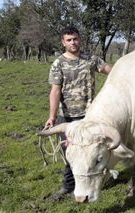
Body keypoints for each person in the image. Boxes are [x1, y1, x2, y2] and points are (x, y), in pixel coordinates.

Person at [45, 26, 112, 201]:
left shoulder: (91, 59)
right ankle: (68, 186)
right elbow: (55, 91)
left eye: (75, 39)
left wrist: (127, 69)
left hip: (89, 117)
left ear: (79, 39)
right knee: (70, 155)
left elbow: (110, 71)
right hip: (67, 118)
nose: (73, 42)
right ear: (63, 42)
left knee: (91, 153)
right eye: (69, 40)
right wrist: (52, 117)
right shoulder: (58, 63)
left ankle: (95, 181)